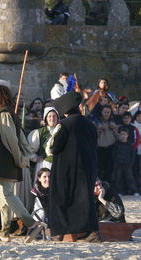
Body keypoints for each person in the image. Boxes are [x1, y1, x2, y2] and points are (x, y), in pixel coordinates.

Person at [0, 85, 39, 242]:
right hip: (3, 163)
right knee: (2, 197)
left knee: (7, 194)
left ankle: (32, 224)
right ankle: (4, 231)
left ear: (0, 96)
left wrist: (19, 159)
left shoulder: (4, 115)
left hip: (7, 162)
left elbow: (13, 141)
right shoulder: (2, 114)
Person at [47, 92, 99, 242]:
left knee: (62, 198)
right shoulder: (90, 124)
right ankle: (91, 232)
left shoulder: (64, 125)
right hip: (87, 167)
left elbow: (54, 148)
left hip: (66, 169)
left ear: (64, 111)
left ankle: (60, 232)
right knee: (84, 198)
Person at [28, 107, 60, 179]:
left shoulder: (61, 131)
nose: (52, 118)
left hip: (58, 165)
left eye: (54, 116)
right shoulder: (39, 132)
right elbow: (29, 151)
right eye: (49, 116)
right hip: (44, 165)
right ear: (46, 118)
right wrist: (35, 158)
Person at [92, 105, 118, 183]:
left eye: (108, 112)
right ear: (101, 112)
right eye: (105, 112)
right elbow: (92, 137)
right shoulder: (95, 123)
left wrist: (115, 128)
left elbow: (117, 137)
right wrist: (98, 131)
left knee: (109, 170)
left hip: (111, 148)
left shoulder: (113, 123)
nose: (106, 114)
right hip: (99, 149)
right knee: (99, 169)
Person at [112, 127, 138, 195]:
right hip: (118, 164)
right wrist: (116, 162)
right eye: (121, 134)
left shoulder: (130, 145)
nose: (123, 136)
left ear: (127, 135)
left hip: (128, 165)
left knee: (130, 179)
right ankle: (119, 191)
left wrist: (131, 163)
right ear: (119, 135)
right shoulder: (117, 144)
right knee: (118, 179)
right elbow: (114, 154)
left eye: (124, 134)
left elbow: (133, 155)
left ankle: (134, 191)